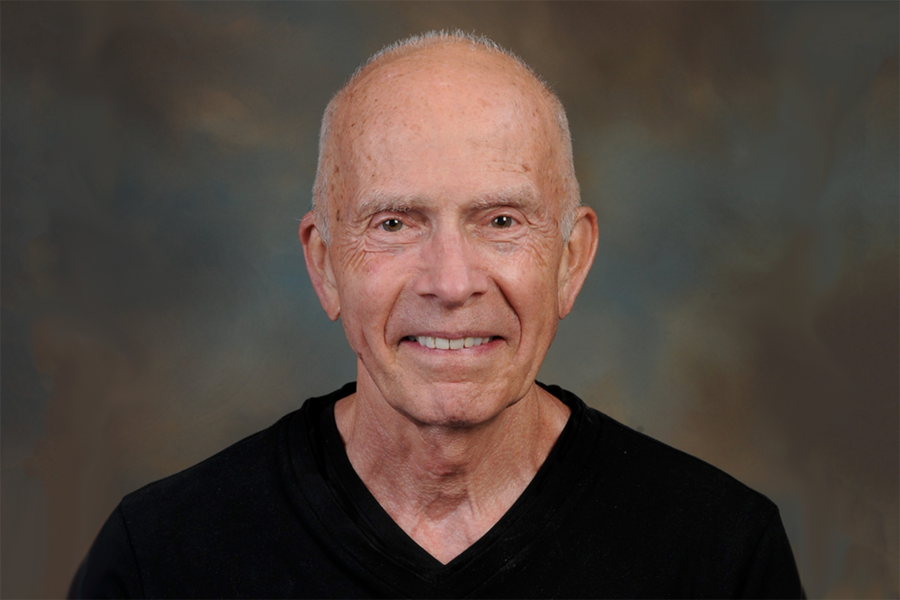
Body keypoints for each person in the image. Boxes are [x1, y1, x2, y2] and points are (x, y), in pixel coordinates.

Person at [69, 32, 804, 598]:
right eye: (394, 224)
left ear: (571, 261)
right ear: (324, 265)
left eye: (501, 221)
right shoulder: (164, 558)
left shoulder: (718, 555)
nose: (451, 284)